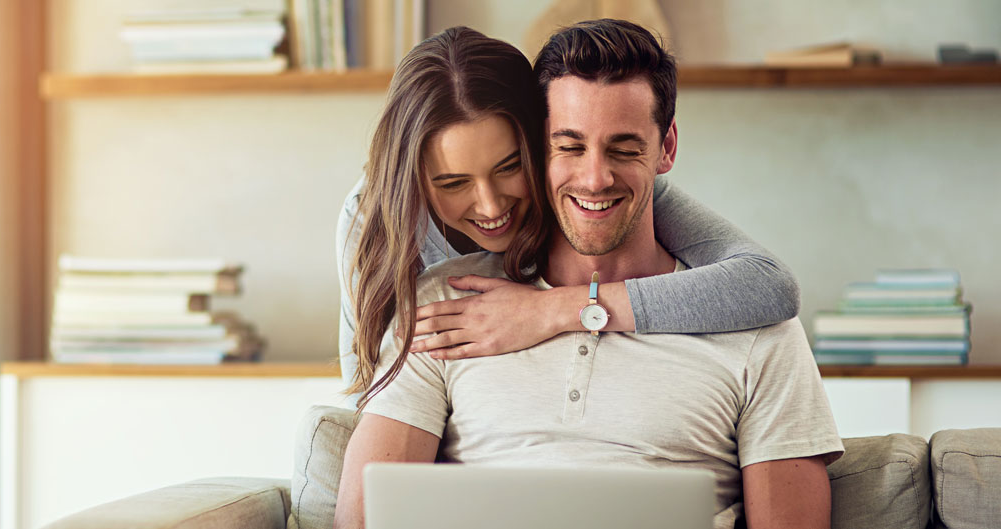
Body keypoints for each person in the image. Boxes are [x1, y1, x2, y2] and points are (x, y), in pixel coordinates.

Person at [334, 20, 843, 529]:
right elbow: (362, 516)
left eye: (624, 148)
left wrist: (558, 309)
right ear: (542, 147)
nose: (595, 178)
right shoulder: (443, 301)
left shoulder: (757, 323)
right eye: (570, 146)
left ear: (666, 148)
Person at [335, 27, 802, 407]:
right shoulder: (373, 220)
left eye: (510, 166)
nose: (492, 207)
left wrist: (551, 309)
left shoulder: (606, 187)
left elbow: (768, 284)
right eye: (453, 183)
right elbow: (370, 394)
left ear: (537, 145)